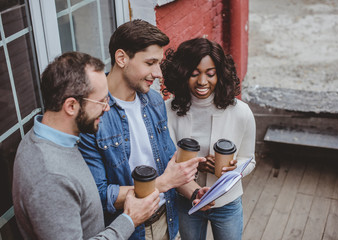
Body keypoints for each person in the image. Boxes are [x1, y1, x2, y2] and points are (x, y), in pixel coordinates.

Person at [79, 20, 209, 240]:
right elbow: (99, 195)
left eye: (158, 63)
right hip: (128, 231)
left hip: (167, 221)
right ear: (121, 59)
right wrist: (163, 183)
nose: (158, 73)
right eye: (150, 63)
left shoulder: (155, 102)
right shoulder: (93, 114)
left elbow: (169, 167)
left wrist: (196, 192)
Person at [12, 52, 160, 240]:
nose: (107, 108)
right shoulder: (50, 177)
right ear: (71, 106)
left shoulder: (49, 136)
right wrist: (130, 219)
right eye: (101, 101)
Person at [161, 37, 257, 240]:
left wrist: (234, 169)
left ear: (220, 75)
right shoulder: (169, 111)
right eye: (194, 74)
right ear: (181, 74)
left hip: (227, 203)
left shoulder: (241, 112)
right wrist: (198, 166)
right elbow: (166, 159)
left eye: (210, 74)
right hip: (187, 200)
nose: (203, 82)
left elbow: (249, 159)